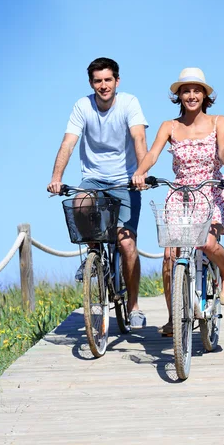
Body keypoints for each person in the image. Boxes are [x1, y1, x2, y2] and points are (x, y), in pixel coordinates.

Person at [132, 67, 224, 336]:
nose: (191, 95)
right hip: (180, 194)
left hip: (211, 189)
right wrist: (140, 172)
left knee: (206, 243)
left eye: (196, 90)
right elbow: (153, 153)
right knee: (170, 255)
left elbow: (223, 150)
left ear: (205, 95)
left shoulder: (219, 121)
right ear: (178, 96)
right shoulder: (169, 126)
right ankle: (174, 317)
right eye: (186, 91)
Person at [47, 57, 148, 329]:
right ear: (91, 83)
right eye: (97, 81)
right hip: (93, 178)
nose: (103, 86)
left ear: (117, 81)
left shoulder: (129, 103)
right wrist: (56, 178)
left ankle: (134, 305)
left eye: (107, 80)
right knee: (78, 202)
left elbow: (139, 138)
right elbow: (68, 143)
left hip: (126, 181)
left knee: (126, 243)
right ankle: (94, 255)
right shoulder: (82, 106)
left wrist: (142, 172)